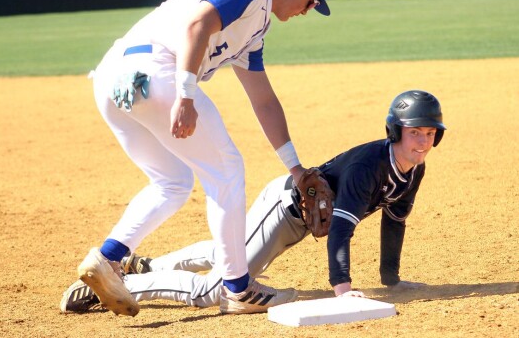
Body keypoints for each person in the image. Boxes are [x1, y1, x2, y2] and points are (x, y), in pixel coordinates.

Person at [75, 0, 333, 317]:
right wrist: (185, 95)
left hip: (114, 80)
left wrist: (296, 169)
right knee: (226, 169)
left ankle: (107, 259)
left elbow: (264, 101)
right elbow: (198, 24)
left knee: (173, 182)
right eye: (312, 1)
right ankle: (238, 289)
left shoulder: (255, 26)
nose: (309, 10)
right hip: (155, 71)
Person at [61, 90, 446, 312]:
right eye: (415, 133)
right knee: (222, 289)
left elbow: (395, 220)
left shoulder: (413, 169)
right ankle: (115, 285)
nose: (423, 142)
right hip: (283, 212)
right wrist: (342, 289)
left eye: (430, 134)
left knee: (227, 253)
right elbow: (341, 229)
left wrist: (391, 280)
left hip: (288, 218)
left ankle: (146, 264)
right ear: (396, 131)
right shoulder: (369, 166)